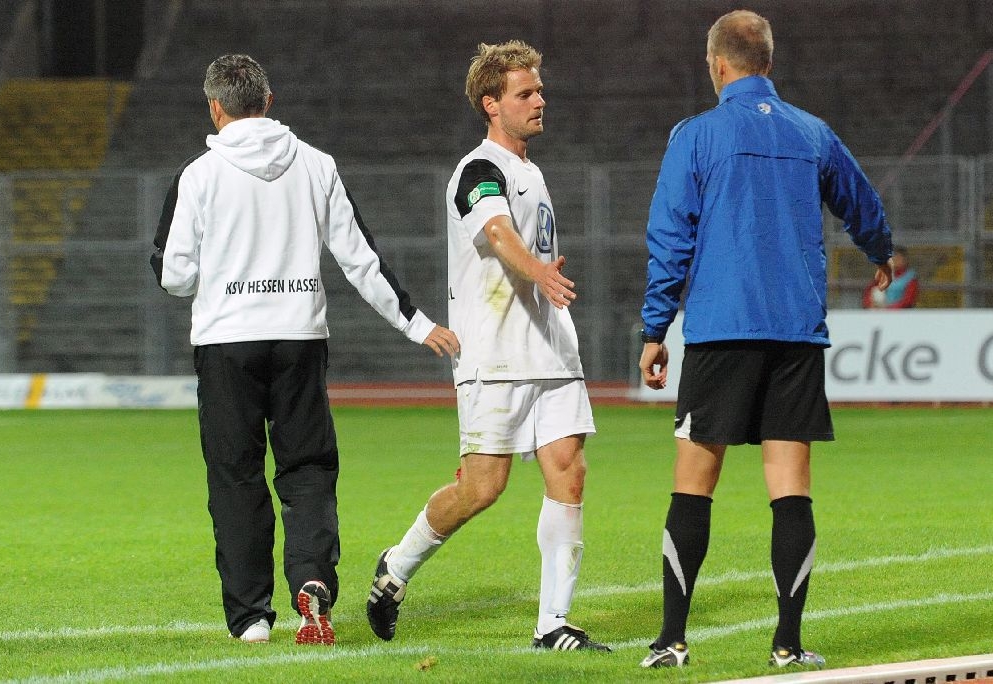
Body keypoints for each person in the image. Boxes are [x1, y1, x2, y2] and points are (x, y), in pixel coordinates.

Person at [149, 54, 459, 646]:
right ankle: (312, 580)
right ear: (268, 102)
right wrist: (418, 324)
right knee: (308, 469)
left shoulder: (199, 176)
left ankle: (252, 619)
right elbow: (359, 259)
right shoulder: (316, 165)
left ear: (216, 109)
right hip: (299, 340)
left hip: (225, 345)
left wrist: (220, 273)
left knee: (237, 478)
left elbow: (173, 275)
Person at [637, 11, 894, 670]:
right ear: (767, 64)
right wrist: (882, 252)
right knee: (791, 487)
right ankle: (787, 643)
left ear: (718, 65)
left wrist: (655, 327)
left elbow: (671, 234)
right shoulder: (813, 133)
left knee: (694, 485)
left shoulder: (695, 136)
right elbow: (860, 201)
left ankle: (671, 640)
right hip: (794, 332)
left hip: (722, 329)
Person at [365, 40, 610, 652]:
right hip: (496, 356)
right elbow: (497, 233)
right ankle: (395, 568)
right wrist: (541, 271)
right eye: (525, 93)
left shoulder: (532, 171)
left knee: (569, 474)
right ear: (491, 104)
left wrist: (543, 277)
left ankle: (553, 624)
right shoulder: (478, 171)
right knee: (483, 488)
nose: (538, 101)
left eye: (539, 90)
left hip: (553, 353)